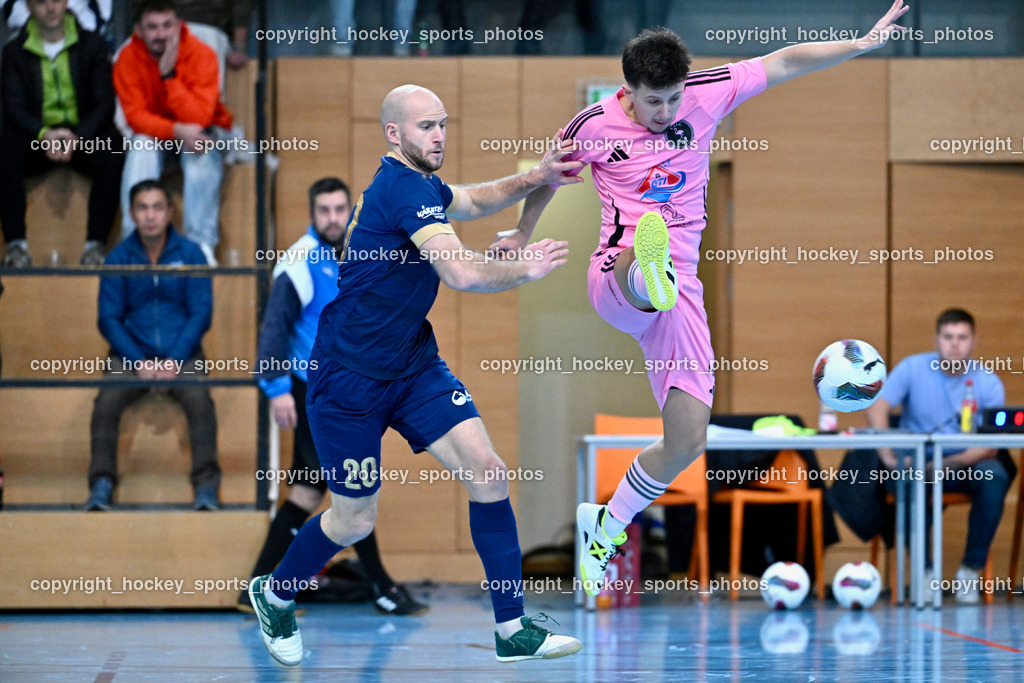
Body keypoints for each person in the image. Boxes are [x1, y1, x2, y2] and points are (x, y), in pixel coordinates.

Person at [488, 0, 913, 596]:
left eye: (671, 100)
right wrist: (522, 233)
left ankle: (606, 525)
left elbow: (786, 60)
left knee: (688, 438)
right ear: (628, 90)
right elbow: (548, 176)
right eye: (651, 101)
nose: (663, 113)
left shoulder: (709, 90)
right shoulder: (591, 126)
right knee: (642, 263)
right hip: (617, 273)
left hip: (681, 292)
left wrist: (859, 44)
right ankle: (648, 268)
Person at [248, 84, 583, 667]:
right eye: (426, 126)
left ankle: (511, 627)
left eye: (443, 124)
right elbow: (462, 275)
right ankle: (275, 594)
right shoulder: (400, 190)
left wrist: (533, 177)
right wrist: (526, 266)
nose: (439, 135)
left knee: (488, 471)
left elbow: (473, 201)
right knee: (354, 518)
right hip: (348, 379)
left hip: (411, 365)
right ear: (393, 133)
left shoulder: (422, 184)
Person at [242, 176, 424, 616]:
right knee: (352, 492)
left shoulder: (354, 255)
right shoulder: (300, 260)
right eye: (324, 210)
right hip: (313, 396)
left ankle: (252, 589)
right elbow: (274, 330)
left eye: (340, 209)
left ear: (350, 210)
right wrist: (277, 388)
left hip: (345, 392)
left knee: (307, 494)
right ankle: (383, 589)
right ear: (312, 212)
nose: (333, 218)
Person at [85, 179, 220, 511]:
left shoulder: (191, 254)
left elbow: (201, 314)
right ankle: (102, 484)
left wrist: (174, 359)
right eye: (142, 208)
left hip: (183, 354)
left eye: (158, 207)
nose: (150, 216)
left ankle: (206, 487)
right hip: (131, 354)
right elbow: (108, 318)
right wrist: (137, 361)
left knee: (201, 402)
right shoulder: (118, 258)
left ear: (170, 212)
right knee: (105, 403)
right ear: (131, 213)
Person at [865, 308, 1010, 603]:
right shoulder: (912, 368)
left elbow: (991, 446)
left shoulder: (988, 382)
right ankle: (924, 572)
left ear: (973, 342)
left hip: (964, 463)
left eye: (961, 337)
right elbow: (877, 407)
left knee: (995, 475)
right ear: (936, 340)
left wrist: (943, 466)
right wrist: (889, 457)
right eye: (948, 337)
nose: (954, 344)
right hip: (916, 463)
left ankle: (971, 570)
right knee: (904, 479)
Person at [0, 0, 122, 267]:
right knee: (4, 148)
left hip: (82, 137)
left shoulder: (93, 44)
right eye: (41, 2)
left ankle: (96, 245)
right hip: (37, 138)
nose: (50, 8)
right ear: (29, 7)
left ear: (67, 2)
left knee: (113, 147)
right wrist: (44, 134)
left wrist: (77, 137)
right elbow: (14, 107)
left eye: (55, 0)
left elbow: (105, 104)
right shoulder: (13, 51)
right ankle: (16, 246)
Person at [113, 0, 234, 265]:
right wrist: (176, 131)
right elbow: (136, 118)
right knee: (141, 145)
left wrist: (168, 76)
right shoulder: (127, 58)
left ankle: (200, 246)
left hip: (204, 132)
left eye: (167, 25)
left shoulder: (202, 53)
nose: (161, 34)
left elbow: (200, 118)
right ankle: (134, 243)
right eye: (152, 27)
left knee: (200, 149)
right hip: (161, 135)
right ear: (139, 30)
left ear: (179, 26)